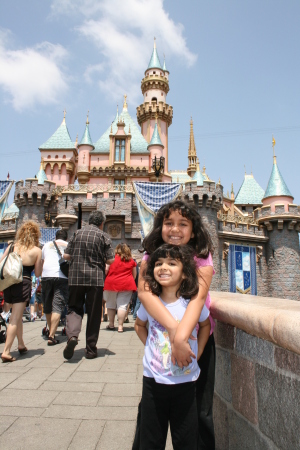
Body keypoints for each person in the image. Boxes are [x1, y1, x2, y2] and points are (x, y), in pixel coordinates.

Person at [132, 199, 215, 450]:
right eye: (169, 223)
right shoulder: (151, 256)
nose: (175, 229)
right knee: (149, 416)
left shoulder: (201, 257)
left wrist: (184, 343)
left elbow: (198, 298)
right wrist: (172, 334)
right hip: (166, 343)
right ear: (160, 227)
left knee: (199, 411)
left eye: (183, 224)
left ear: (193, 230)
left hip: (195, 344)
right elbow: (145, 294)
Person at [63, 210, 114, 360]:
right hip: (95, 279)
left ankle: (72, 336)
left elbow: (66, 255)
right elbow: (111, 260)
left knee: (74, 308)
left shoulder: (77, 233)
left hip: (76, 277)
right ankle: (91, 349)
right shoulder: (104, 236)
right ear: (102, 223)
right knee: (93, 313)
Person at [0, 221, 42, 362]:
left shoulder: (12, 246)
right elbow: (37, 272)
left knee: (15, 316)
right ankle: (6, 351)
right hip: (23, 283)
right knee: (15, 318)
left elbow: (2, 262)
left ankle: (21, 344)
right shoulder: (36, 250)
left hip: (9, 283)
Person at [41, 229, 69, 345]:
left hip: (46, 276)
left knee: (47, 305)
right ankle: (52, 335)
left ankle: (51, 331)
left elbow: (43, 261)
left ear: (56, 237)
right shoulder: (68, 245)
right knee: (57, 305)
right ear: (66, 238)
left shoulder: (46, 245)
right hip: (62, 277)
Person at [104, 244, 137, 333]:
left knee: (110, 304)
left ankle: (111, 324)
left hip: (111, 283)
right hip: (126, 284)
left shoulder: (112, 259)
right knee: (122, 306)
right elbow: (134, 275)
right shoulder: (131, 260)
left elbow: (106, 270)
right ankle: (120, 326)